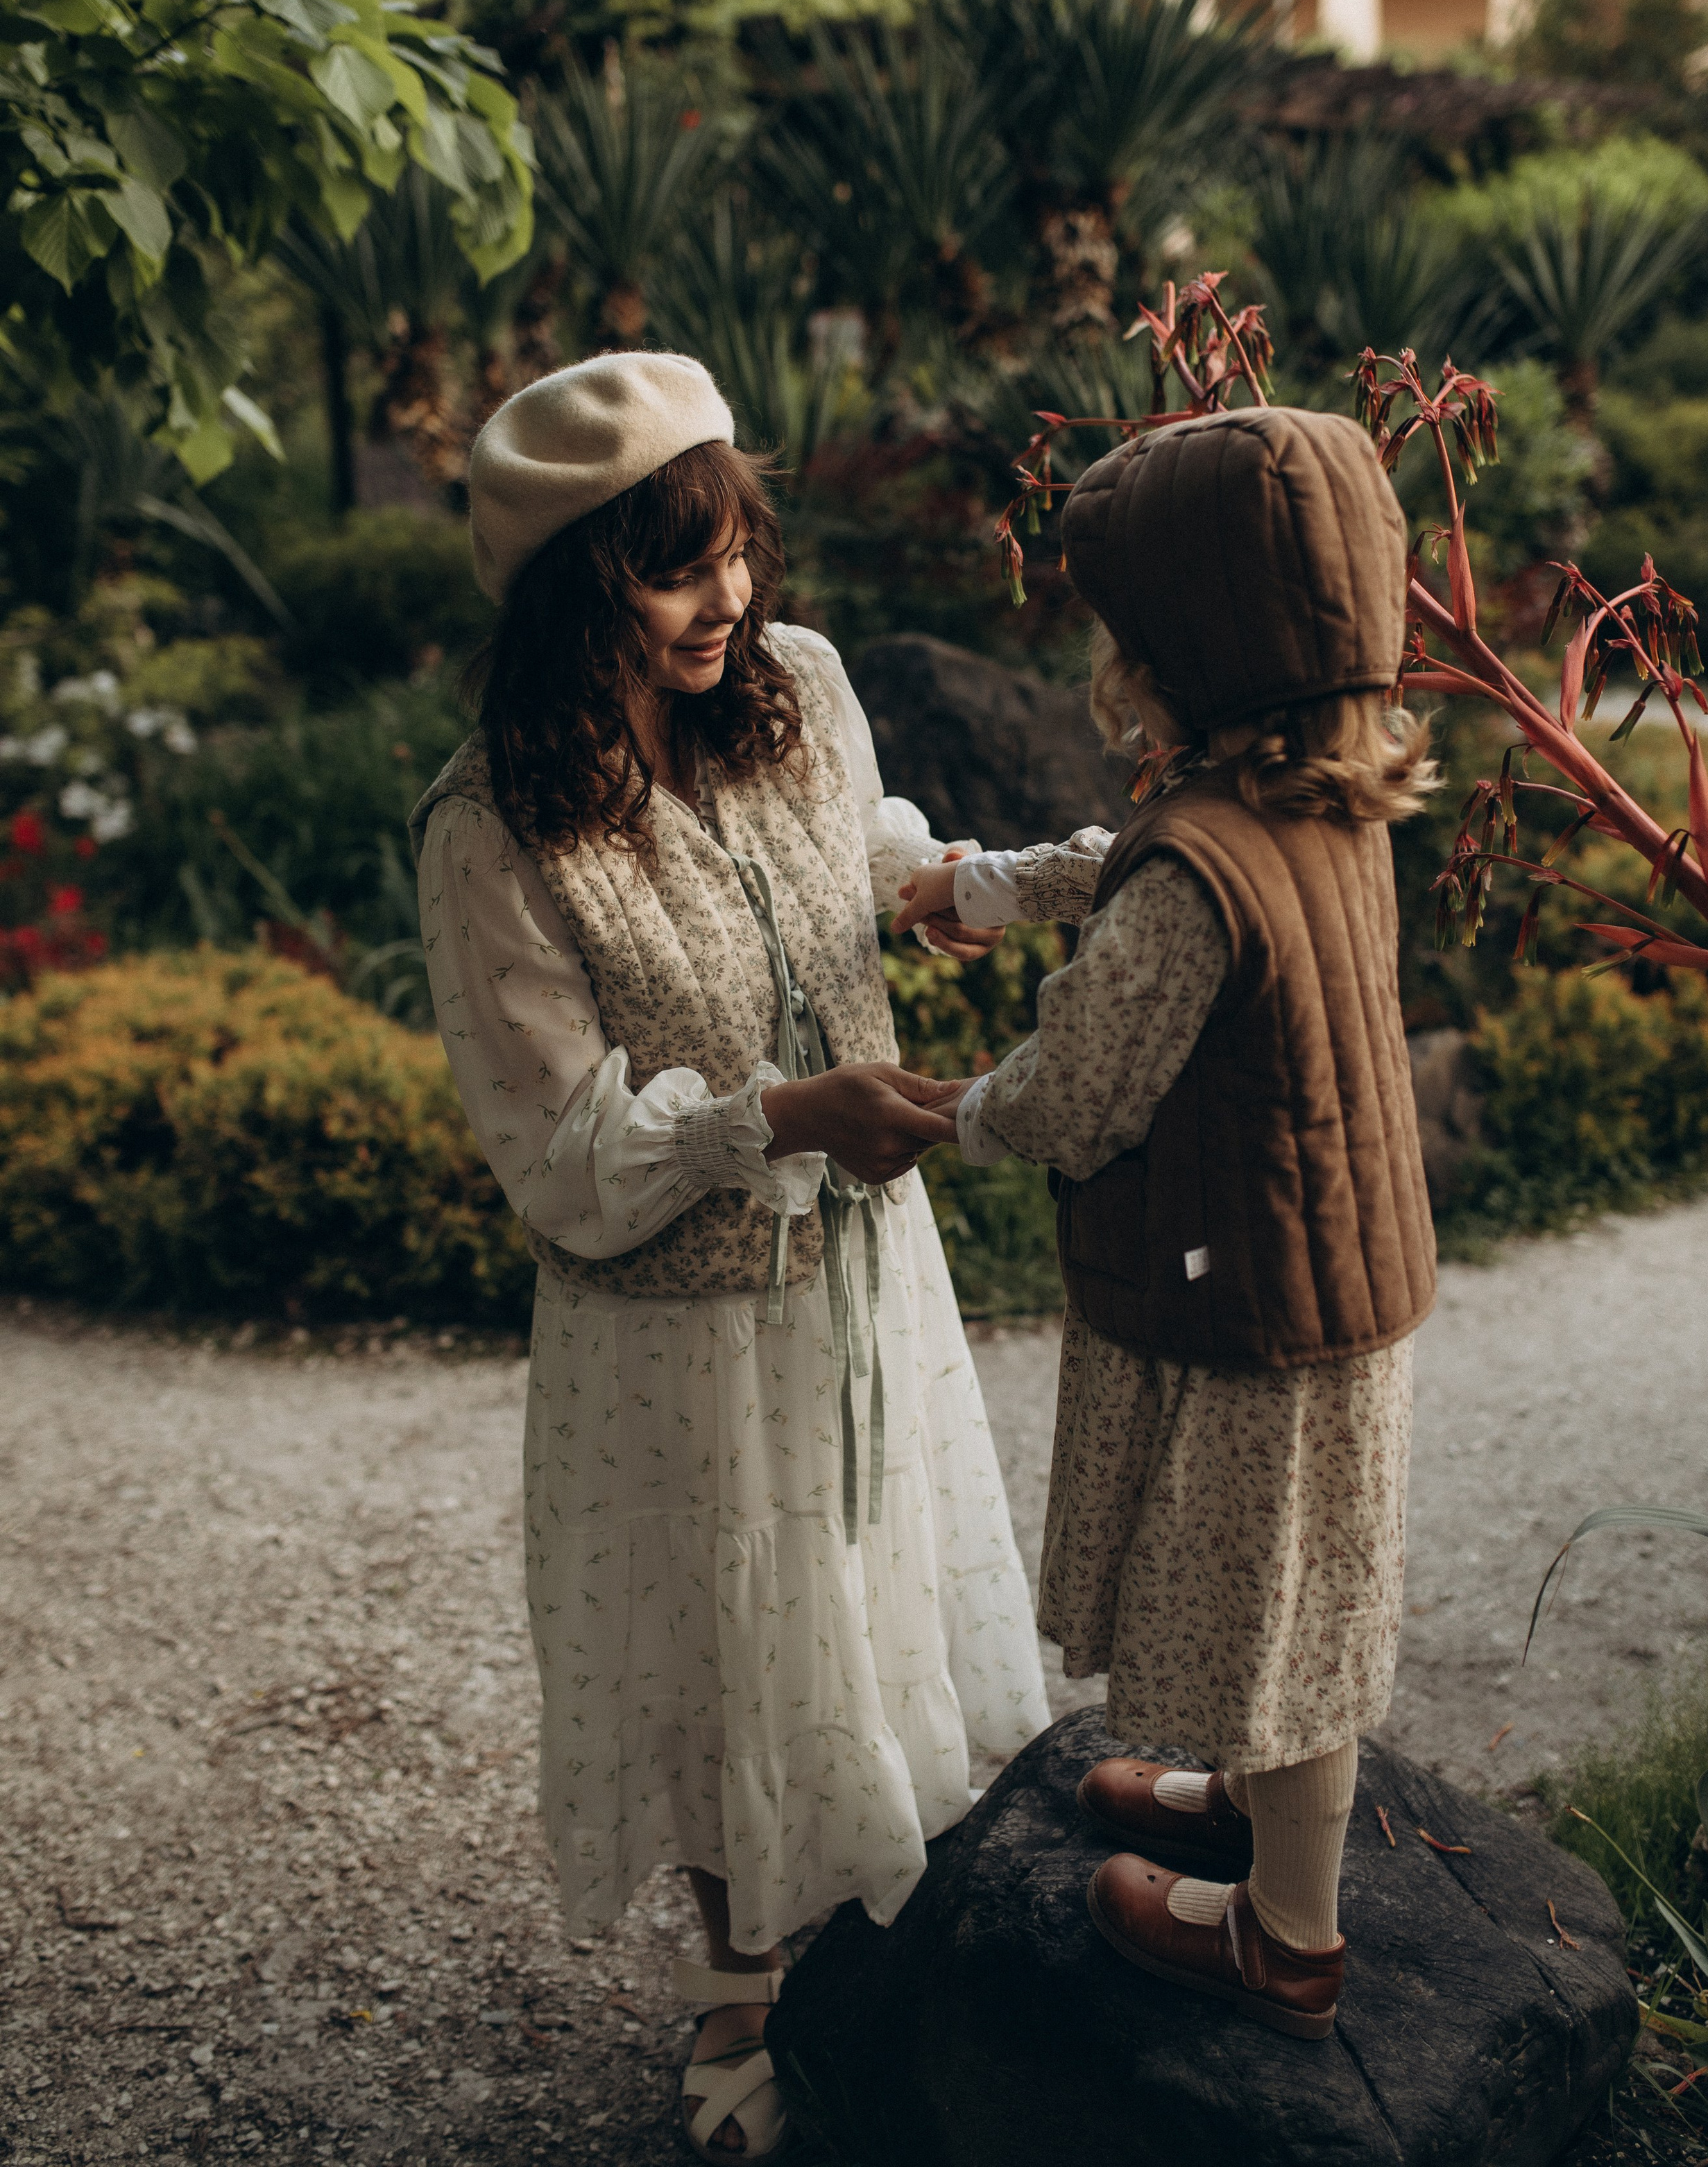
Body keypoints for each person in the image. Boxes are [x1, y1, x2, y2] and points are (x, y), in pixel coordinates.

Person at [411, 352, 1048, 2159]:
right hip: (673, 1334)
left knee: (861, 1599)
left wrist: (966, 886)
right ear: (574, 586)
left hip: (858, 1268)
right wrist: (779, 1114)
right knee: (721, 1645)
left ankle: (881, 1936)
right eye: (674, 570)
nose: (729, 603)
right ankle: (741, 1983)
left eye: (737, 552)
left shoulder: (805, 689)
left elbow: (853, 855)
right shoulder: (492, 827)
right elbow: (558, 1148)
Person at [893, 404, 1437, 2043]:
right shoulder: (1310, 793)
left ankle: (1284, 1936)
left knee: (1276, 1614)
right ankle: (1241, 1803)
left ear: (1182, 645)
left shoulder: (1194, 870)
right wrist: (983, 882)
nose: (1100, 654)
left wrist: (943, 1116)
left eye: (1116, 626)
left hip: (1242, 1312)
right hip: (1323, 1275)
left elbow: (1078, 1092)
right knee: (1286, 1597)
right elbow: (1125, 861)